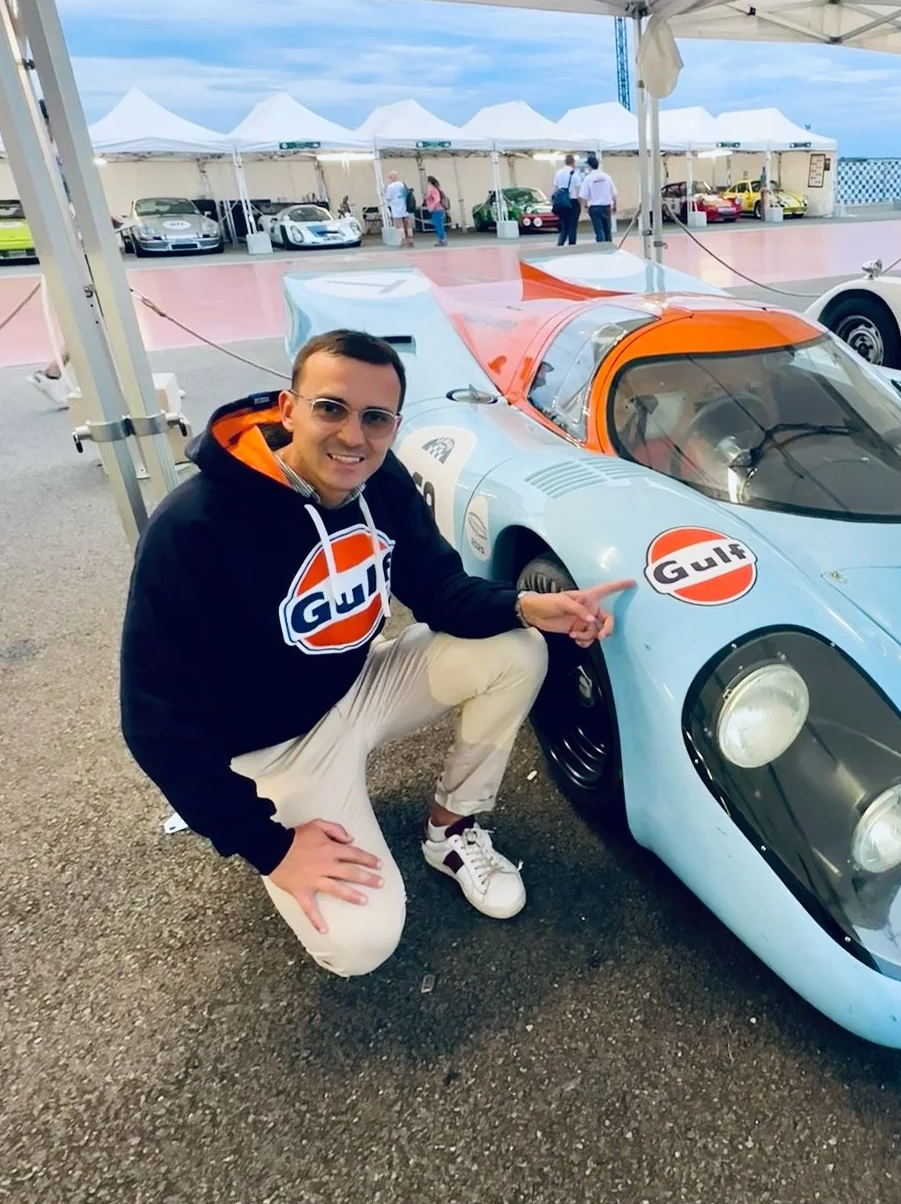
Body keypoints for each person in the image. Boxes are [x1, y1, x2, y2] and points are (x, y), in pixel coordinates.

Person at [119, 328, 634, 977]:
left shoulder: (376, 478)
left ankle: (451, 832)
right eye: (330, 408)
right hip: (272, 749)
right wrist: (270, 848)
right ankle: (298, 819)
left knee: (518, 646)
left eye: (376, 418)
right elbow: (153, 723)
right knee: (361, 944)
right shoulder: (191, 529)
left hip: (357, 684)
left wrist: (526, 606)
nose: (353, 437)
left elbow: (438, 588)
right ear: (288, 409)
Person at [578, 153, 617, 243]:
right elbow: (614, 193)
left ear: (589, 165)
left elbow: (584, 195)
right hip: (606, 206)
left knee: (599, 230)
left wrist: (585, 207)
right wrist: (615, 205)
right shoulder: (607, 177)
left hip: (594, 207)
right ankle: (609, 248)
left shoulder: (588, 178)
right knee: (608, 230)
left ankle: (602, 249)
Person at [551, 153, 581, 247]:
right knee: (573, 227)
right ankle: (572, 246)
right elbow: (578, 190)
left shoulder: (558, 173)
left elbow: (555, 188)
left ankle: (560, 245)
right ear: (573, 162)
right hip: (572, 201)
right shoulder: (575, 174)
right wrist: (581, 204)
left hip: (562, 202)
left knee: (564, 226)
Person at [384, 170, 414, 247]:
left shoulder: (390, 187)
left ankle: (403, 241)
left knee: (400, 226)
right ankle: (411, 240)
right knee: (408, 225)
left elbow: (388, 197)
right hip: (405, 206)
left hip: (396, 208)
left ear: (391, 178)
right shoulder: (402, 184)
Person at [424, 175, 448, 246]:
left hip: (437, 210)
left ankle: (442, 240)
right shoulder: (432, 189)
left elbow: (437, 199)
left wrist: (431, 206)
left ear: (429, 182)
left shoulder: (433, 190)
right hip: (436, 210)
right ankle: (442, 239)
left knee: (439, 225)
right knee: (438, 225)